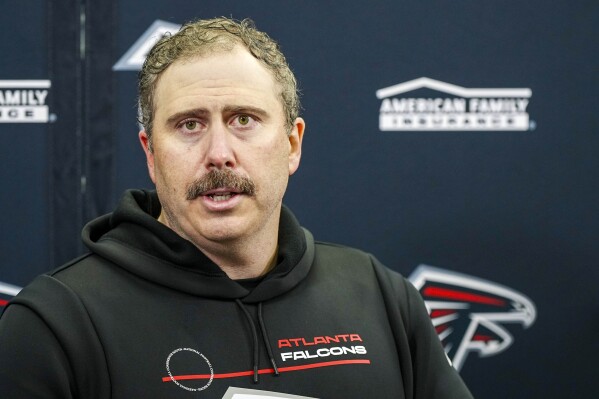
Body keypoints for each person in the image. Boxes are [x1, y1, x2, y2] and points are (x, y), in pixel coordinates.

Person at [0, 17, 473, 398]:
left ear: (292, 144)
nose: (218, 152)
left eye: (243, 119)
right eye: (189, 124)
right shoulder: (55, 325)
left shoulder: (383, 298)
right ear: (150, 153)